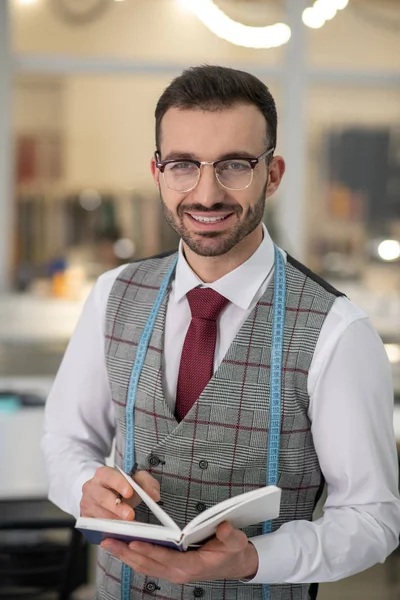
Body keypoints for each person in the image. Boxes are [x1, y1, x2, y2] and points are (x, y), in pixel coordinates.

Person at [42, 65, 400, 600]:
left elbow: (374, 519)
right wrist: (83, 490)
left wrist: (257, 559)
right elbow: (67, 442)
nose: (206, 194)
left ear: (272, 174)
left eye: (234, 165)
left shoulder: (336, 330)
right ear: (159, 172)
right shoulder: (112, 294)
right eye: (184, 165)